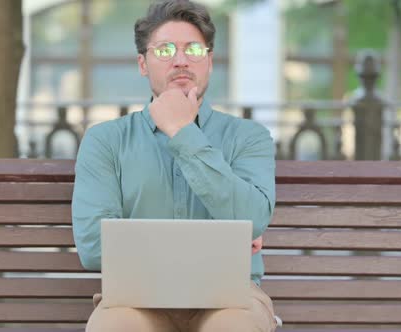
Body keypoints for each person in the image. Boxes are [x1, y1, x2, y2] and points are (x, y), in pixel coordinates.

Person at [71, 0, 279, 331]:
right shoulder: (106, 141)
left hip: (231, 300)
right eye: (165, 50)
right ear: (143, 63)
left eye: (193, 49)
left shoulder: (248, 137)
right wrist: (223, 241)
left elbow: (252, 218)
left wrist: (182, 132)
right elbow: (95, 248)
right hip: (136, 299)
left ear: (209, 60)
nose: (180, 60)